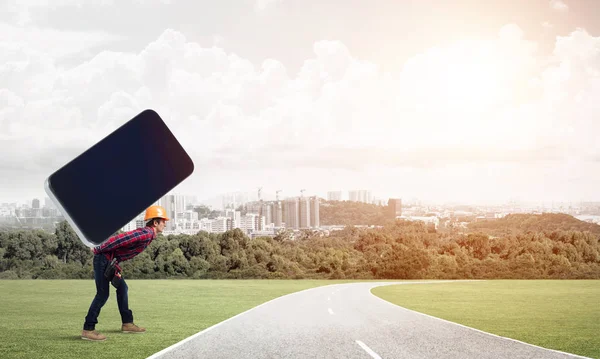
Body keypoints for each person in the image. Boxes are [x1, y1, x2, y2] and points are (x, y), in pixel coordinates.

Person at [81, 205, 169, 341]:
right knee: (102, 294)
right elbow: (122, 239)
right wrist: (99, 248)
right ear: (155, 222)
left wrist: (116, 265)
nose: (165, 223)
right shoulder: (146, 233)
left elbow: (122, 249)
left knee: (122, 288)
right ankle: (88, 329)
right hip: (103, 258)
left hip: (110, 261)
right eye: (163, 221)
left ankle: (127, 323)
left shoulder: (149, 235)